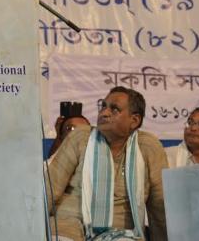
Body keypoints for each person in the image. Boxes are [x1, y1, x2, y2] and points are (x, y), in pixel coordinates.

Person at [46, 86, 168, 241]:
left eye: (114, 109)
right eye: (103, 106)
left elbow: (159, 206)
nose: (104, 113)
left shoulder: (148, 147)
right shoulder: (80, 137)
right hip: (67, 224)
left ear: (134, 120)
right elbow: (50, 189)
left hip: (120, 232)